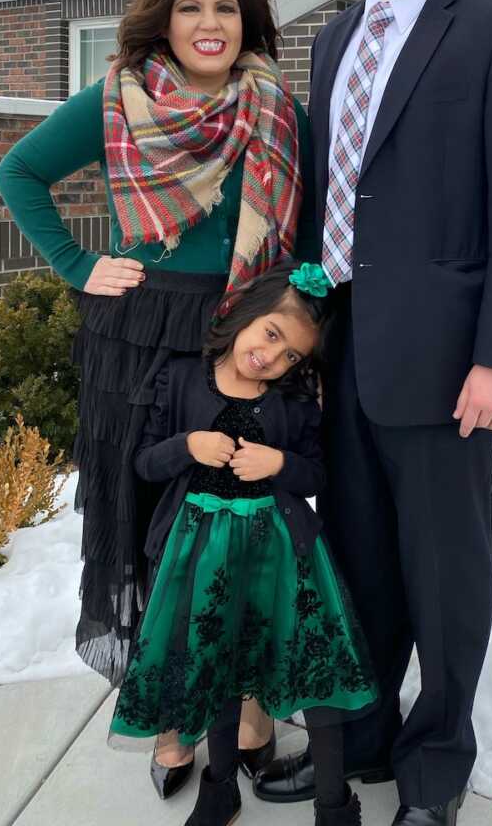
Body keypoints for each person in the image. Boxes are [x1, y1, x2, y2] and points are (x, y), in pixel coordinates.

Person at [253, 0, 492, 826]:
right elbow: (335, 196)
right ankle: (367, 735)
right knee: (357, 561)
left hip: (442, 362)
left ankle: (435, 765)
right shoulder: (334, 39)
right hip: (340, 349)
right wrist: (298, 316)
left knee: (443, 569)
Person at [0, 0, 316, 796]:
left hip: (243, 332)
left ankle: (248, 713)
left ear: (249, 23)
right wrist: (75, 262)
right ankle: (170, 722)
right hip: (137, 337)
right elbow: (17, 171)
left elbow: (309, 229)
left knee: (243, 525)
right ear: (162, 20)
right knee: (152, 528)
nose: (209, 25)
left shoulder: (281, 113)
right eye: (190, 9)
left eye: (226, 9)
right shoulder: (115, 104)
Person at [109, 259, 375, 826]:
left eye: (291, 356)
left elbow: (315, 476)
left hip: (280, 555)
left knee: (314, 672)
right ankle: (220, 786)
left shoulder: (293, 402)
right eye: (272, 335)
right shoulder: (181, 377)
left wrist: (280, 463)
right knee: (219, 669)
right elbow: (145, 462)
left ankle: (334, 806)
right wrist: (189, 446)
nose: (273, 358)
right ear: (243, 314)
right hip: (203, 551)